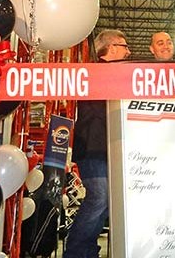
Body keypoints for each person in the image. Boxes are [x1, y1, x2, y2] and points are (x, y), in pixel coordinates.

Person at [64, 29, 131, 258]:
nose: (128, 52)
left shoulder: (116, 76)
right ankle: (76, 252)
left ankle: (87, 251)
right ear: (111, 47)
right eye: (124, 46)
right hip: (93, 147)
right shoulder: (93, 73)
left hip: (109, 148)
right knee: (100, 197)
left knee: (105, 200)